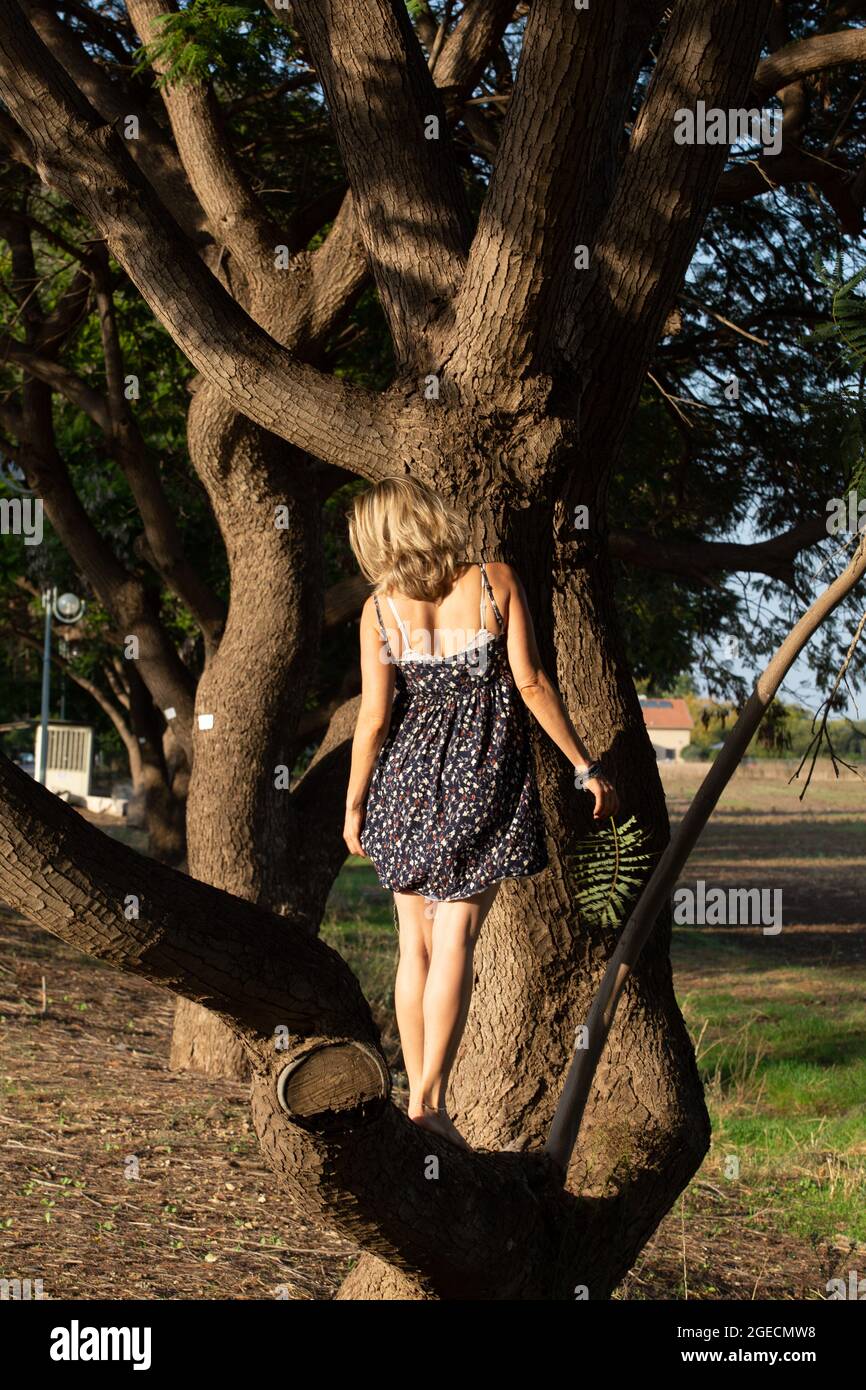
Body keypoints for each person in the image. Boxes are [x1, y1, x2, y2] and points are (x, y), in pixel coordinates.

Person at [344, 476, 618, 1148]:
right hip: (481, 780)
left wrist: (353, 806)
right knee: (457, 942)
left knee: (416, 944)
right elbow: (529, 682)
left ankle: (418, 1092)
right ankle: (430, 1103)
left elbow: (374, 719)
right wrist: (585, 764)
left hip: (403, 786)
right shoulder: (494, 581)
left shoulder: (379, 611)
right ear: (428, 520)